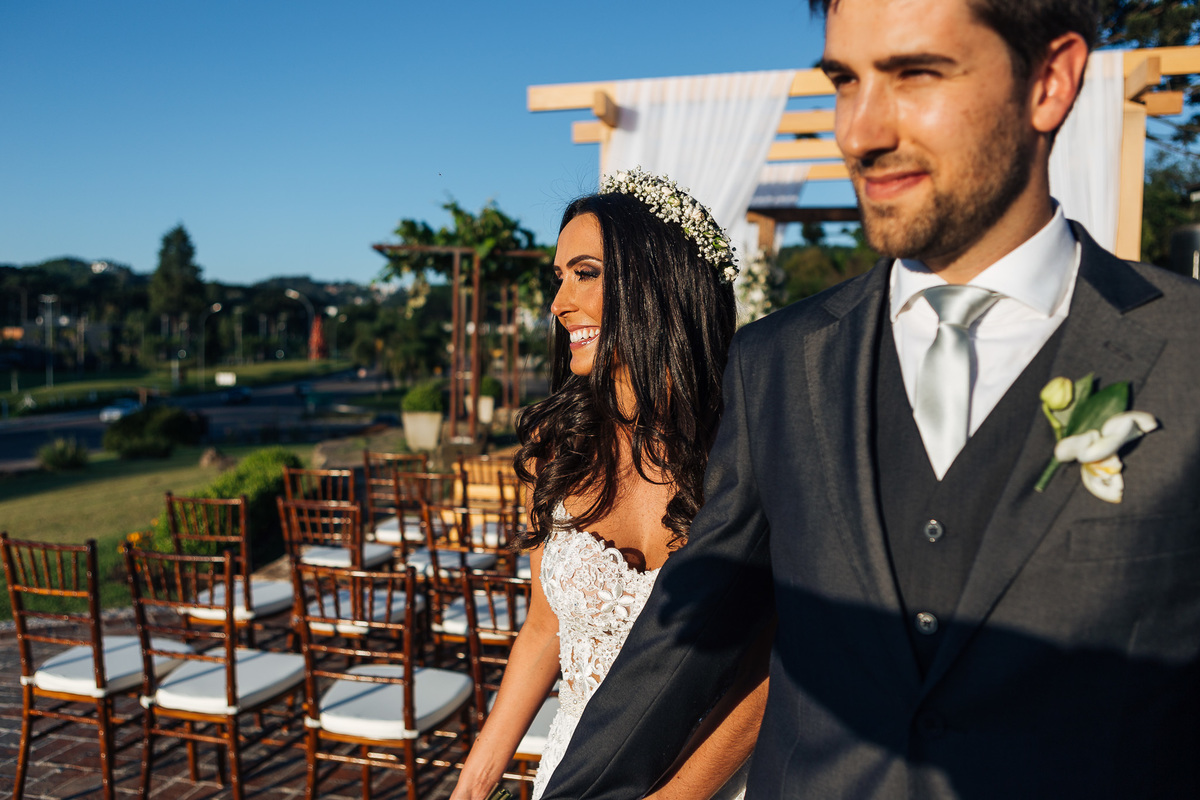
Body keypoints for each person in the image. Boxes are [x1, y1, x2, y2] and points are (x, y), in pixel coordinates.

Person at [539, 0, 1200, 798]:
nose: (859, 131)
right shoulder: (777, 363)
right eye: (844, 81)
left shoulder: (1185, 352)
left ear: (1050, 81)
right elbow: (680, 647)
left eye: (915, 73)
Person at [450, 169, 770, 800]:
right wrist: (474, 782)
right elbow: (543, 630)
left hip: (714, 783)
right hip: (577, 774)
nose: (558, 302)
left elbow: (770, 667)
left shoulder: (750, 450)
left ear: (659, 282)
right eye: (559, 277)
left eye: (586, 273)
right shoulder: (559, 450)